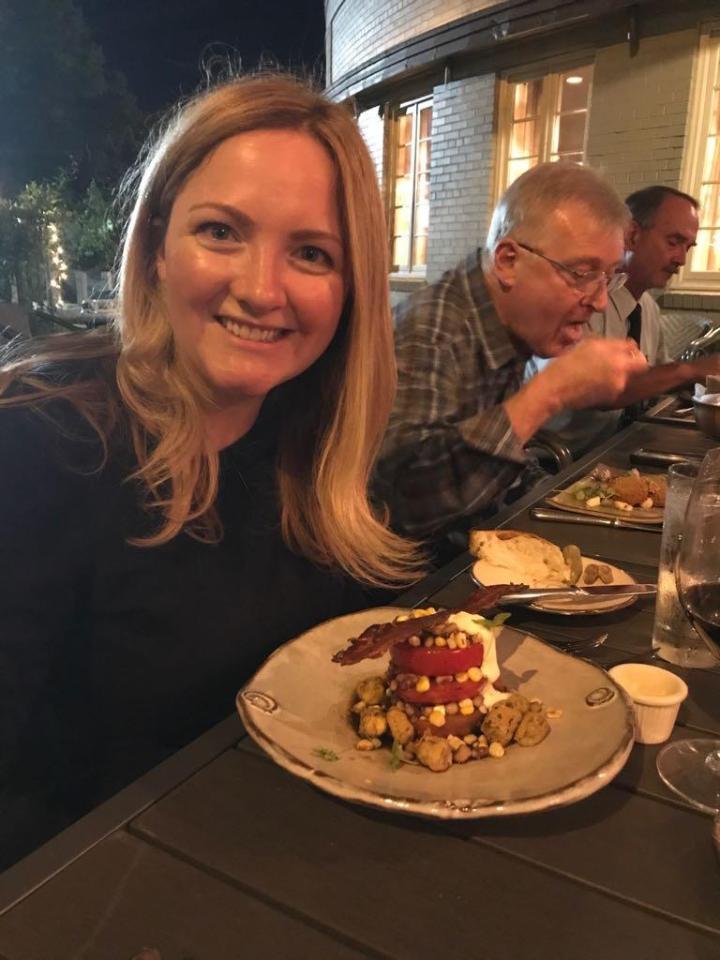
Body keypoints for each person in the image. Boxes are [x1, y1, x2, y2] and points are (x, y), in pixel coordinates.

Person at [0, 73, 422, 868]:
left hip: (287, 859)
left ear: (351, 288)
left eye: (310, 252)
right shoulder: (37, 443)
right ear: (157, 245)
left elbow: (371, 659)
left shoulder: (314, 440)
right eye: (221, 231)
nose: (261, 290)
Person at [374, 161, 648, 548]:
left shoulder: (507, 322)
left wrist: (584, 503)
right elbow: (404, 505)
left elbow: (505, 473)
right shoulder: (431, 331)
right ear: (508, 261)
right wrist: (550, 392)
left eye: (609, 277)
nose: (601, 302)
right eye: (582, 273)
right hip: (415, 585)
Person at [526, 185, 719, 455]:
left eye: (688, 247)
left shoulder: (648, 307)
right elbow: (597, 390)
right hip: (558, 461)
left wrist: (706, 382)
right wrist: (692, 370)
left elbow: (657, 377)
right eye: (673, 242)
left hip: (617, 447)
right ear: (631, 234)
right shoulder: (580, 300)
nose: (681, 260)